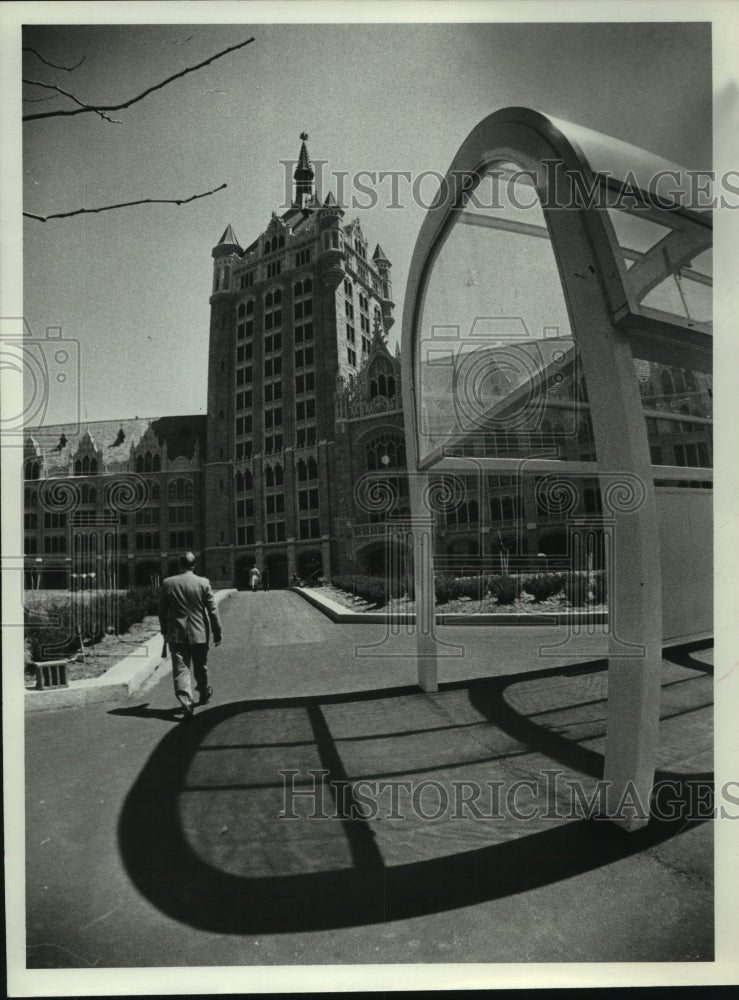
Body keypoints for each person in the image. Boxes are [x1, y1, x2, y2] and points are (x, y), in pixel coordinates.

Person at [158, 551, 223, 721]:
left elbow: (162, 611)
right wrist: (217, 631)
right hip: (199, 632)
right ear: (194, 565)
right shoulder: (203, 582)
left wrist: (164, 630)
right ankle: (204, 692)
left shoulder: (168, 583)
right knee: (201, 666)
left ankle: (186, 703)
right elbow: (212, 610)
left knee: (181, 670)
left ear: (180, 565)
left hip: (177, 633)